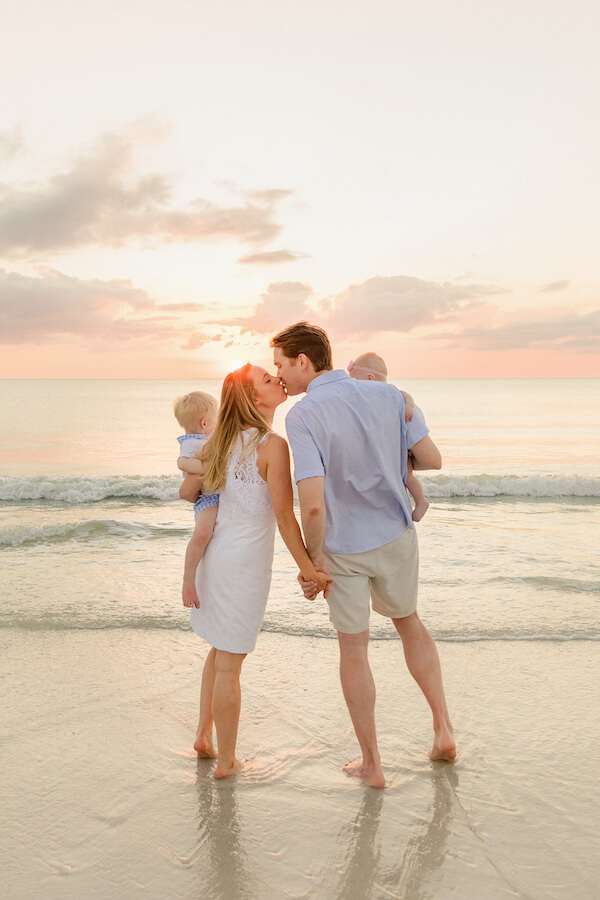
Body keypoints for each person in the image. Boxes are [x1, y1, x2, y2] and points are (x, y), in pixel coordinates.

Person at [271, 322, 455, 789]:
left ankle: (373, 766)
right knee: (409, 623)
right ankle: (443, 731)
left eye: (281, 366)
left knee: (354, 649)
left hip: (343, 549)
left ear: (303, 362)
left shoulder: (303, 415)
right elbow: (431, 458)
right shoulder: (391, 396)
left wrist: (314, 562)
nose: (280, 377)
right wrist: (384, 454)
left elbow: (312, 503)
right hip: (395, 534)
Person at [178, 364, 331, 779]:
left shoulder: (221, 441)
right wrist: (310, 570)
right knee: (230, 661)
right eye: (266, 379)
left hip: (219, 556)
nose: (276, 380)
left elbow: (189, 485)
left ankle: (204, 737)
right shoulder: (272, 446)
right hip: (242, 565)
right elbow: (285, 518)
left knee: (219, 650)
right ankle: (226, 761)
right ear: (253, 399)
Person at [347, 353, 429, 521]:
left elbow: (407, 396)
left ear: (370, 379)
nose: (352, 386)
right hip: (390, 444)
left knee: (407, 475)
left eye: (355, 380)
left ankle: (421, 501)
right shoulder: (369, 401)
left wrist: (409, 406)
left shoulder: (394, 395)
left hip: (402, 445)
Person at [173, 391, 221, 608]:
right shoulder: (193, 443)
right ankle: (188, 580)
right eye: (217, 416)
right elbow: (182, 462)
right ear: (204, 423)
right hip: (207, 498)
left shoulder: (209, 437)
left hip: (219, 494)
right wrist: (206, 468)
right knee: (202, 534)